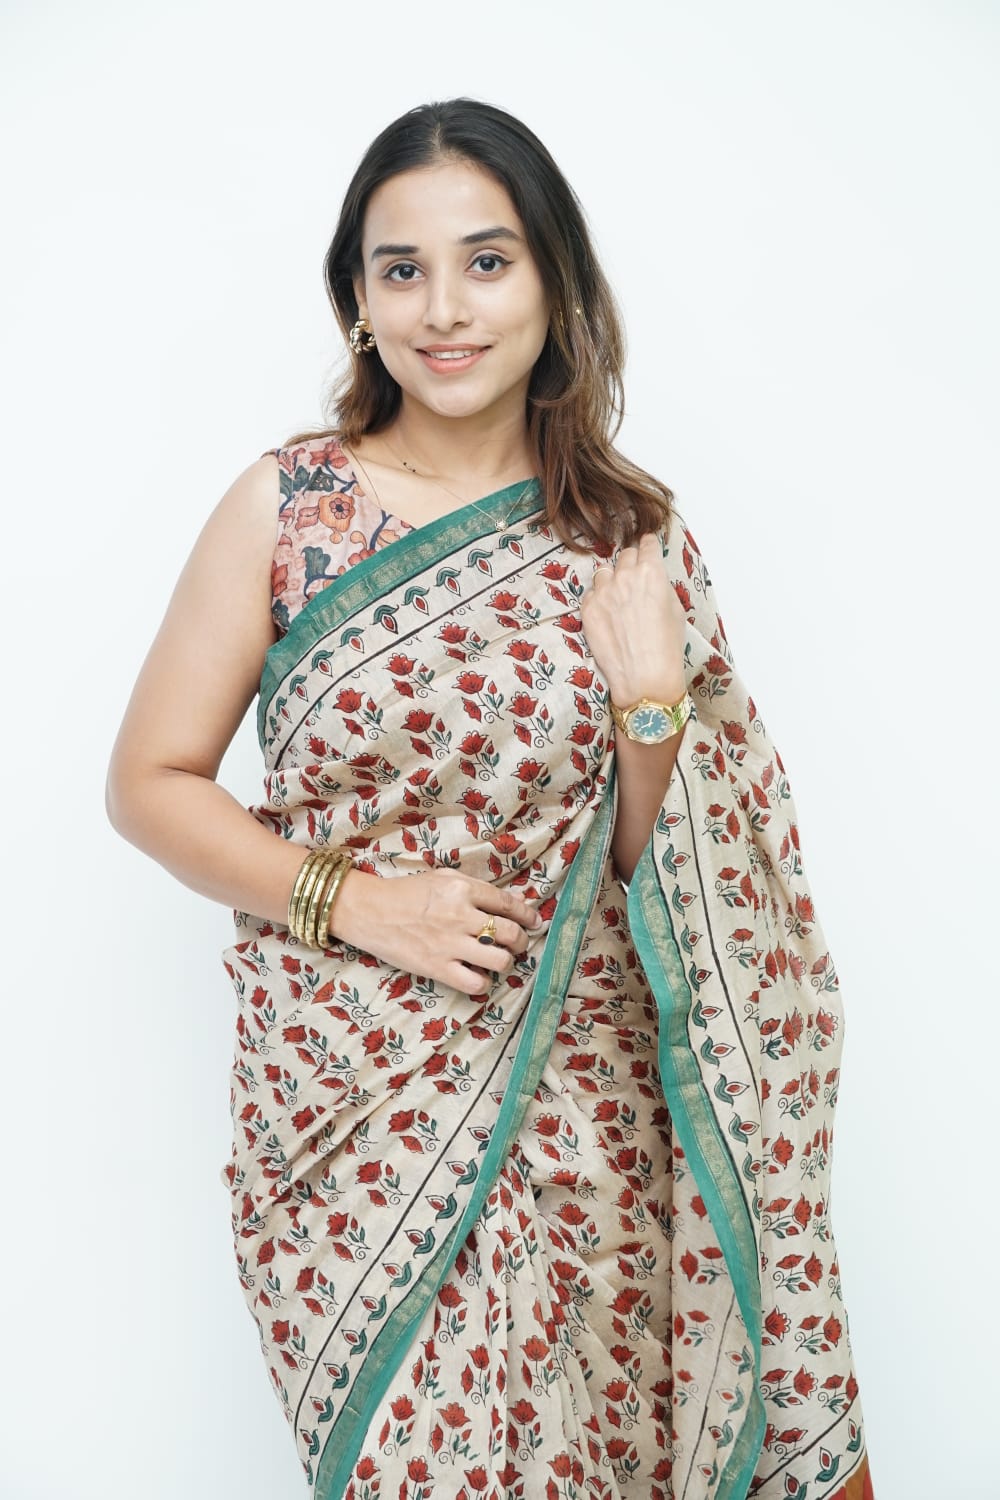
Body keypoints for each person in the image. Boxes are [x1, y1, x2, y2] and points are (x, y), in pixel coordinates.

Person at [105, 97, 874, 1500]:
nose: (444, 310)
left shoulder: (629, 538)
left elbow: (674, 867)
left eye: (487, 261)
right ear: (356, 300)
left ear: (554, 283)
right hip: (358, 1110)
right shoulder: (289, 509)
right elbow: (148, 784)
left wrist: (652, 706)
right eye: (401, 270)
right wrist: (362, 903)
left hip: (592, 1111)